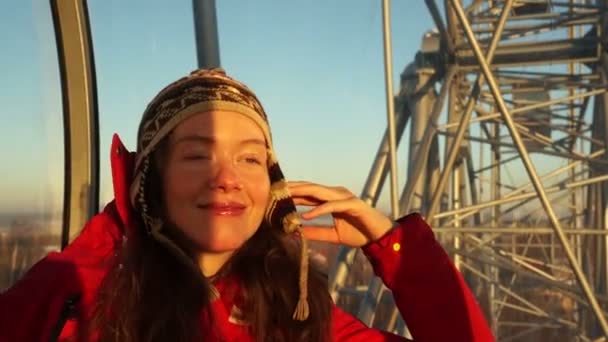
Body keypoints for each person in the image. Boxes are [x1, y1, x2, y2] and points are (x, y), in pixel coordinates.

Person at [0, 68, 494, 342]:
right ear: (150, 181)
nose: (228, 179)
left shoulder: (296, 317)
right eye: (197, 155)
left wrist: (395, 247)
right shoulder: (70, 294)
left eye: (251, 160)